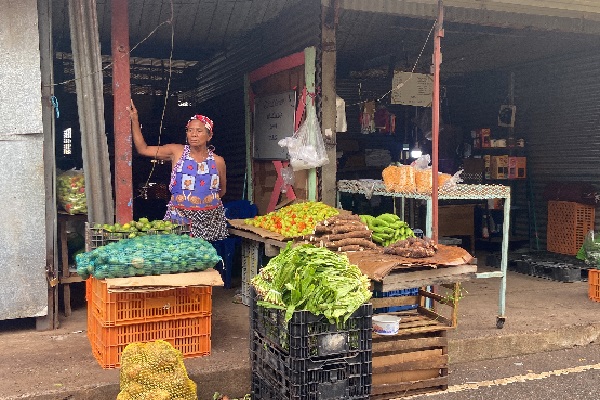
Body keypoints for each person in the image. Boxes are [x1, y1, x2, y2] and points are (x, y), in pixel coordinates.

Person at [128, 100, 229, 241]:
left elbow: (221, 191)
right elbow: (143, 149)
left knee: (205, 260)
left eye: (199, 131)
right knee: (179, 258)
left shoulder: (218, 161)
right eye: (190, 130)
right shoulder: (177, 152)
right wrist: (134, 119)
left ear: (209, 136)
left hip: (209, 222)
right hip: (179, 220)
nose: (193, 134)